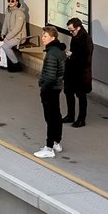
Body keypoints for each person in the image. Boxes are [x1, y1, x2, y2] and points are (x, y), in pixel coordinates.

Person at [34, 25, 66, 157]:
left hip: (50, 89)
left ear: (52, 38)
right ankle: (57, 142)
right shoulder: (59, 50)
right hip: (57, 88)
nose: (42, 38)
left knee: (50, 118)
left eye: (45, 36)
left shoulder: (52, 53)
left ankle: (49, 148)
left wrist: (43, 88)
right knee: (56, 116)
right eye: (42, 35)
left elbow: (50, 76)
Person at [64, 18, 94, 127]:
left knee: (81, 96)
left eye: (72, 30)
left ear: (78, 27)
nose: (71, 33)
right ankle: (70, 115)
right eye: (70, 31)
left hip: (81, 73)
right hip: (72, 71)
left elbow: (86, 57)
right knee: (68, 92)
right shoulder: (76, 37)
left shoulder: (86, 39)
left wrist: (71, 55)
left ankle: (81, 119)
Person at [0, 0, 29, 72]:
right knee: (1, 43)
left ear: (17, 2)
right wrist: (3, 34)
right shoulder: (8, 11)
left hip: (19, 37)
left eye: (12, 1)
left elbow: (18, 28)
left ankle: (16, 64)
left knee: (5, 46)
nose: (10, 2)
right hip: (11, 36)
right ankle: (4, 62)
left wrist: (7, 37)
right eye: (9, 0)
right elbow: (5, 24)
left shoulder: (20, 13)